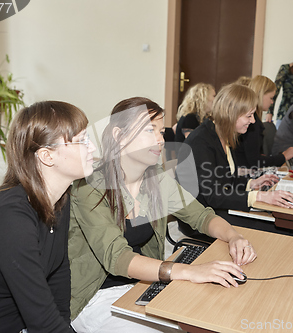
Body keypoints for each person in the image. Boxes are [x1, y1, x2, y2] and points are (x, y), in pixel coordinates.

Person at [69, 97, 256, 333]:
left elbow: (201, 216)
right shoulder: (90, 187)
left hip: (142, 284)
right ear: (118, 135)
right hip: (95, 297)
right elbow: (118, 258)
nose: (161, 139)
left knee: (216, 311)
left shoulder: (154, 176)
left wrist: (233, 236)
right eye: (150, 130)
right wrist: (188, 271)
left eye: (160, 130)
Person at [0, 101, 96, 333]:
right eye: (81, 141)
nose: (92, 148)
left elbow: (59, 271)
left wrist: (64, 323)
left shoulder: (59, 199)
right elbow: (42, 321)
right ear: (47, 156)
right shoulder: (10, 218)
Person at [176, 83, 293, 234]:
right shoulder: (200, 142)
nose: (253, 121)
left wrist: (251, 183)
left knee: (284, 224)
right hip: (202, 218)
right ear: (230, 113)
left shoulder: (222, 135)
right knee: (282, 230)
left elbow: (224, 178)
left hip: (217, 208)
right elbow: (213, 194)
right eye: (249, 115)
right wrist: (259, 196)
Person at [234, 75, 293, 169]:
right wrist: (284, 156)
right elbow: (254, 162)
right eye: (271, 98)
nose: (272, 102)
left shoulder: (254, 120)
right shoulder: (252, 124)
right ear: (260, 95)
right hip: (245, 173)